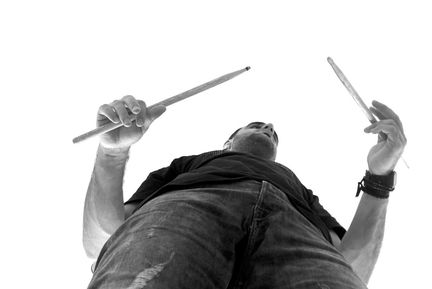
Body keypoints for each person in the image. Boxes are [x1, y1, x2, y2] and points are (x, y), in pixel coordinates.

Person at [83, 95, 407, 289]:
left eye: (273, 133)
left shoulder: (302, 192)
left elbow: (350, 266)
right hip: (188, 208)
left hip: (293, 223)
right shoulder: (188, 165)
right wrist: (112, 154)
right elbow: (104, 239)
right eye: (256, 126)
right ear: (228, 143)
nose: (267, 128)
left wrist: (380, 176)